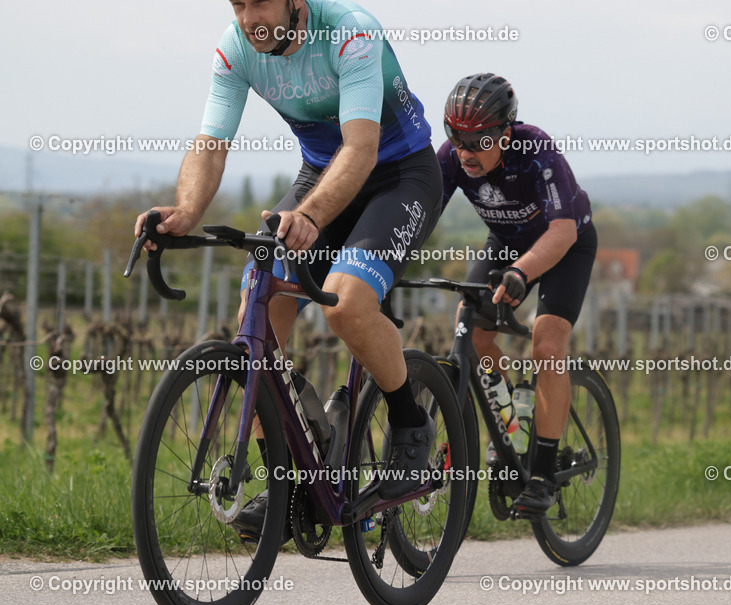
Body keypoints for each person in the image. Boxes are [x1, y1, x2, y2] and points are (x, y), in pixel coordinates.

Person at [133, 0, 443, 540]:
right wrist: (185, 213)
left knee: (346, 305)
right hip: (320, 175)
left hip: (398, 176)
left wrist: (311, 216)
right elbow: (211, 144)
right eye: (238, 3)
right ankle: (290, 475)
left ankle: (410, 424)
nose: (248, 16)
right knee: (260, 307)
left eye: (259, 2)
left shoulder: (350, 32)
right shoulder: (236, 48)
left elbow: (362, 147)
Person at [436, 73, 598, 518]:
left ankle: (543, 472)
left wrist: (523, 272)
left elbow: (562, 230)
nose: (465, 152)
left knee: (546, 344)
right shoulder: (453, 157)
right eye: (456, 138)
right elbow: (421, 212)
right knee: (471, 331)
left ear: (505, 134)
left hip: (563, 244)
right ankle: (511, 425)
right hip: (505, 242)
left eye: (478, 141)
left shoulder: (535, 150)